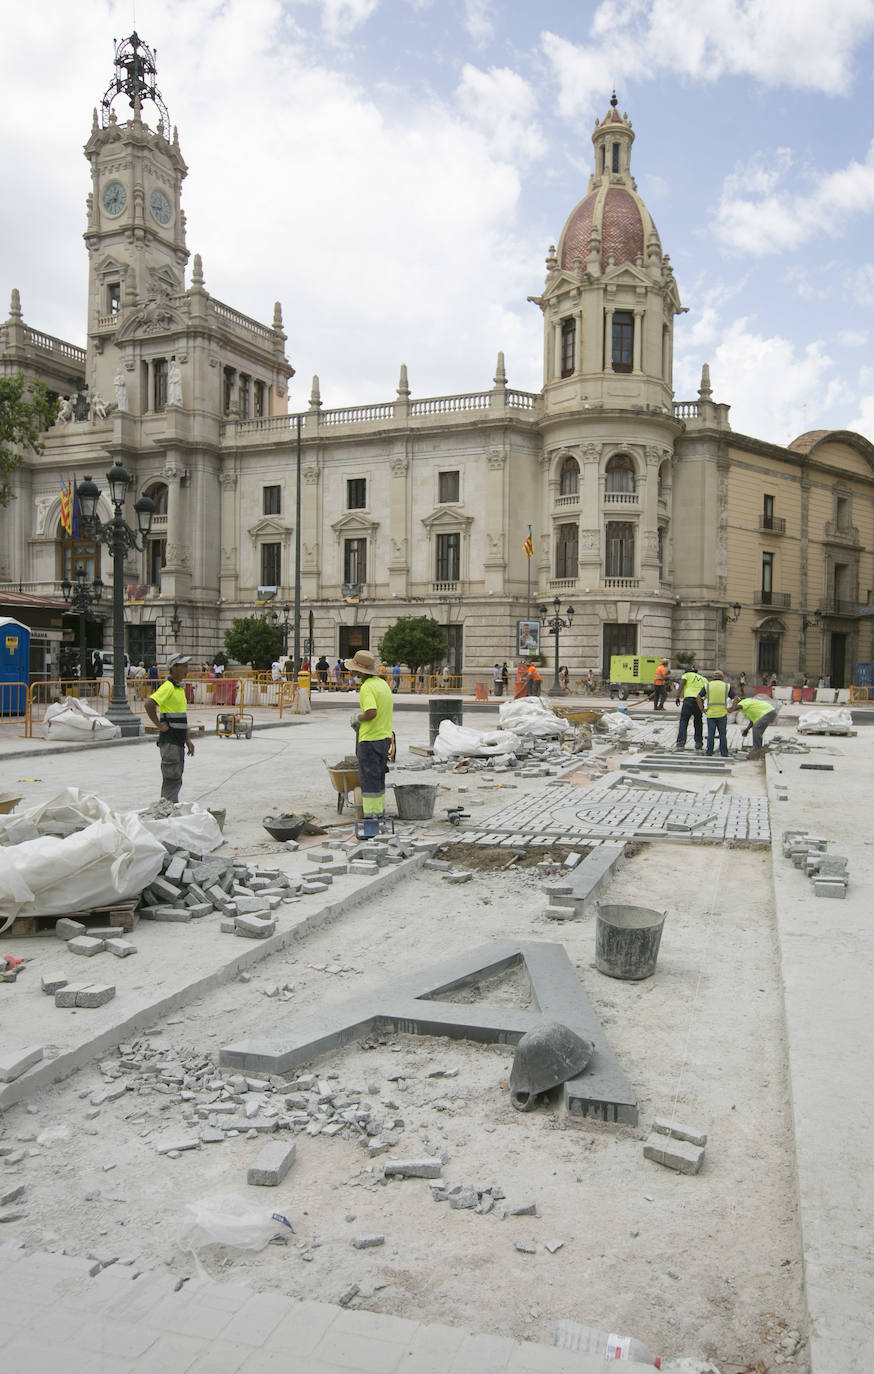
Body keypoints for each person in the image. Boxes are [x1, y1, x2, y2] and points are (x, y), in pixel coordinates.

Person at [346, 649, 394, 837]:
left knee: (369, 780)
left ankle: (371, 823)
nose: (353, 675)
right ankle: (379, 815)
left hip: (370, 739)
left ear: (360, 672)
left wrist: (358, 718)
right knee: (379, 778)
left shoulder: (367, 688)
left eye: (354, 671)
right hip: (383, 738)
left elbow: (371, 712)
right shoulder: (383, 685)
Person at [144, 652, 195, 803]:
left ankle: (170, 807)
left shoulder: (179, 689)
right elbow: (149, 703)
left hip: (178, 741)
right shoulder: (168, 687)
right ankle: (167, 810)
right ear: (174, 668)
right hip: (170, 741)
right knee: (171, 778)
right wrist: (159, 725)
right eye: (184, 666)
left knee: (176, 777)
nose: (187, 669)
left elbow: (181, 718)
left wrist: (188, 740)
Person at [674, 663, 708, 750]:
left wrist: (677, 696)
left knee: (684, 721)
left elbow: (682, 684)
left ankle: (681, 743)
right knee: (698, 722)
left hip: (688, 700)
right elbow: (707, 691)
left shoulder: (687, 675)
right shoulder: (704, 679)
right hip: (699, 702)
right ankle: (698, 743)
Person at [704, 670, 735, 758]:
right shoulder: (726, 686)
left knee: (711, 734)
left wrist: (702, 708)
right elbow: (736, 698)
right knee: (722, 734)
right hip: (722, 714)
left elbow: (698, 697)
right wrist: (732, 708)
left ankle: (709, 752)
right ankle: (724, 753)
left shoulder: (707, 685)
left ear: (713, 677)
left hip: (711, 714)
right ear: (722, 677)